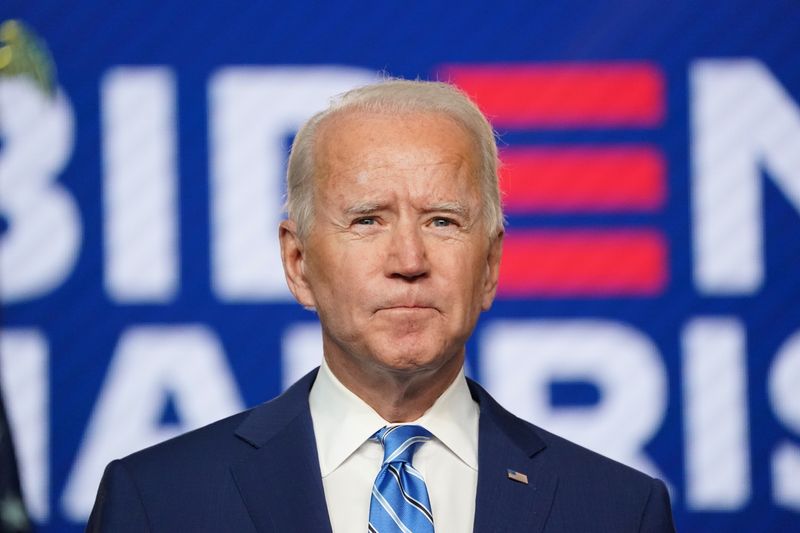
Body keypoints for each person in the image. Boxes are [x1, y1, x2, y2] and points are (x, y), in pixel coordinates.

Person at [87, 79, 676, 532]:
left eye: (442, 221)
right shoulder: (160, 500)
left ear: (490, 265)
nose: (409, 259)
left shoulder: (616, 509)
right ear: (298, 263)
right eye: (367, 220)